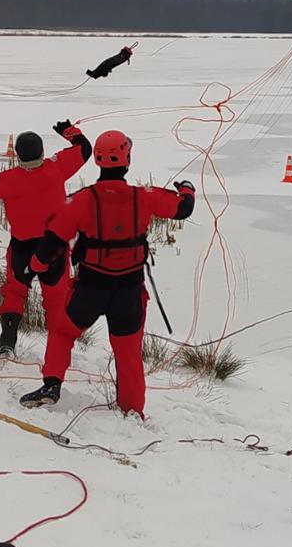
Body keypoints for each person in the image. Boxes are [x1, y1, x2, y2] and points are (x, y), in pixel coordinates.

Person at [19, 130, 196, 416]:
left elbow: (52, 240)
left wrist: (34, 268)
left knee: (63, 332)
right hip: (128, 292)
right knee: (128, 354)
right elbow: (183, 209)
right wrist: (187, 188)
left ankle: (51, 384)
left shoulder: (81, 200)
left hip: (90, 289)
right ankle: (131, 411)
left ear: (99, 162)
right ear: (126, 159)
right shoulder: (144, 197)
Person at [0, 121, 92, 357]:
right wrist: (69, 131)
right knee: (57, 300)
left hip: (22, 248)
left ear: (18, 155)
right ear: (41, 152)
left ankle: (7, 344)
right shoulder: (56, 168)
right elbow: (85, 149)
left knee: (15, 293)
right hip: (54, 248)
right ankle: (58, 354)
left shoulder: (8, 179)